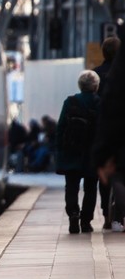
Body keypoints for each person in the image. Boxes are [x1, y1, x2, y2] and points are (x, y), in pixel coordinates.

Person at [55, 70, 101, 234]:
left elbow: (60, 127)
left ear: (80, 86)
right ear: (96, 86)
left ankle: (73, 214)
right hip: (92, 154)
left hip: (72, 151)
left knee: (72, 187)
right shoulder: (100, 103)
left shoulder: (70, 102)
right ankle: (86, 221)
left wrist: (60, 150)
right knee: (90, 188)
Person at [95, 43, 125, 233]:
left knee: (110, 177)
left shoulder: (96, 75)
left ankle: (108, 215)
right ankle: (119, 216)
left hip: (109, 134)